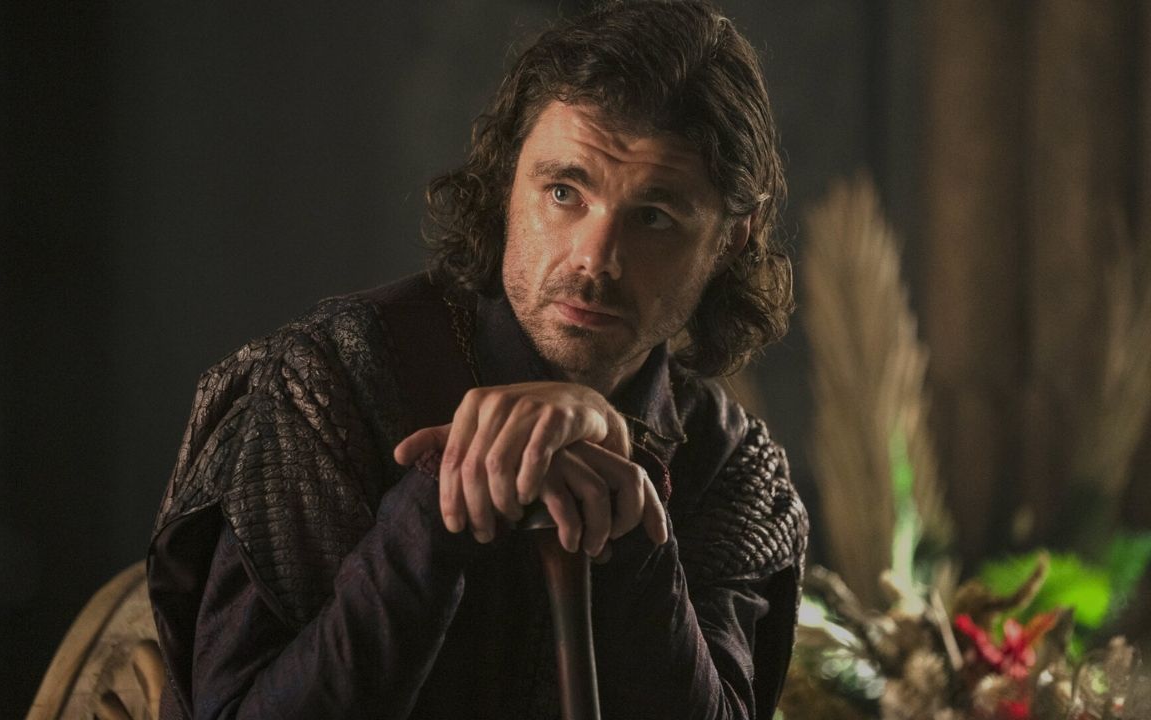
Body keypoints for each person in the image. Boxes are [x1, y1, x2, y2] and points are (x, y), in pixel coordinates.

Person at [147, 1, 808, 718]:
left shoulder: (725, 463)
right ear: (506, 181)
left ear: (732, 238)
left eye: (653, 217)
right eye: (564, 192)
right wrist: (444, 498)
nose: (595, 260)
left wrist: (631, 523)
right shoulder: (329, 385)